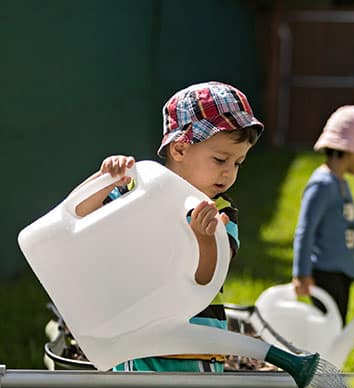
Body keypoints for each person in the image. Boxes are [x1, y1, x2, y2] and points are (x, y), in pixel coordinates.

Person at [73, 81, 264, 372]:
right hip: (137, 342)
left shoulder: (221, 213)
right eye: (220, 159)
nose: (229, 172)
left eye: (238, 163)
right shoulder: (139, 190)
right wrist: (106, 179)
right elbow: (79, 214)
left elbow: (207, 279)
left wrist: (205, 239)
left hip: (195, 349)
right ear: (180, 149)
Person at [292, 105, 354, 325]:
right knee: (328, 327)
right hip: (326, 273)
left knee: (338, 325)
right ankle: (323, 360)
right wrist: (301, 273)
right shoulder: (322, 185)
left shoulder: (339, 181)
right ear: (352, 150)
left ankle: (332, 360)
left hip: (341, 272)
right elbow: (305, 230)